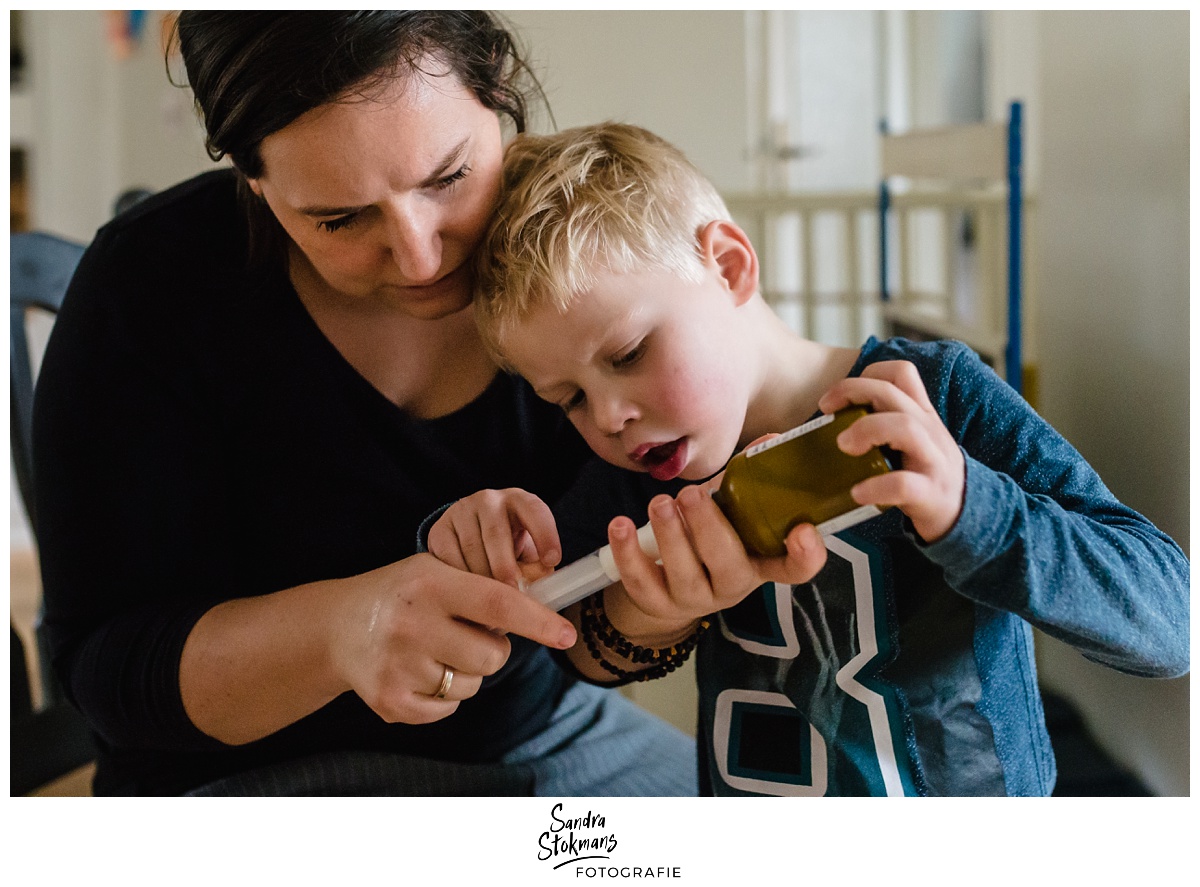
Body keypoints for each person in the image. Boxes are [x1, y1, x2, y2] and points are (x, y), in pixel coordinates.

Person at [32, 13, 698, 797]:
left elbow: (591, 631)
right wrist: (339, 633)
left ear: (500, 93)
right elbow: (101, 668)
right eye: (339, 219)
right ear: (257, 182)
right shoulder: (151, 286)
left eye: (448, 178)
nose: (422, 256)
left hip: (547, 739)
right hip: (241, 780)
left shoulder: (586, 247)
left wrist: (661, 610)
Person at [426, 122, 1191, 796]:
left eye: (628, 353)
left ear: (727, 267)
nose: (609, 417)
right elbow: (584, 646)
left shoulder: (935, 399)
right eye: (568, 399)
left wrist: (971, 507)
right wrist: (646, 610)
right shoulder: (650, 462)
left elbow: (1170, 624)